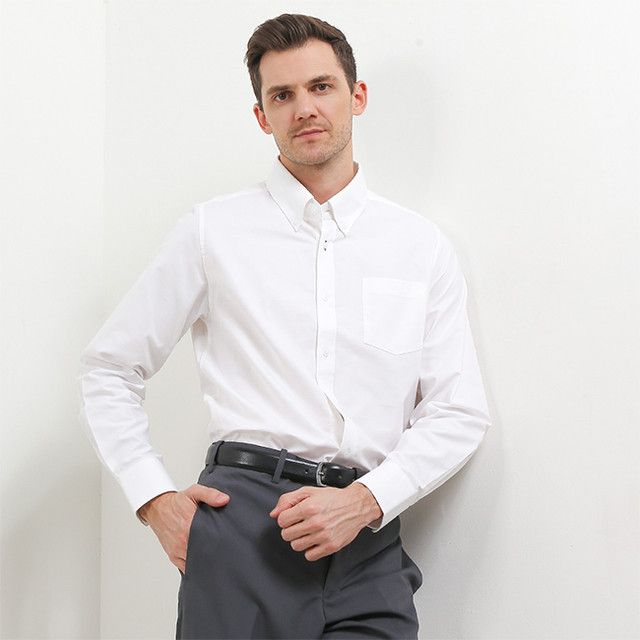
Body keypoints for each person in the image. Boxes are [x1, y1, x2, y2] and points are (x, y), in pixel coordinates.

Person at [79, 13, 491, 640]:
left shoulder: (420, 247)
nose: (304, 108)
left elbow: (458, 410)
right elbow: (109, 367)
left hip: (366, 537)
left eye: (321, 86)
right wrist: (153, 499)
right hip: (243, 528)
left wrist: (367, 500)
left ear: (356, 96)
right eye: (282, 95)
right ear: (262, 115)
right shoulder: (212, 231)